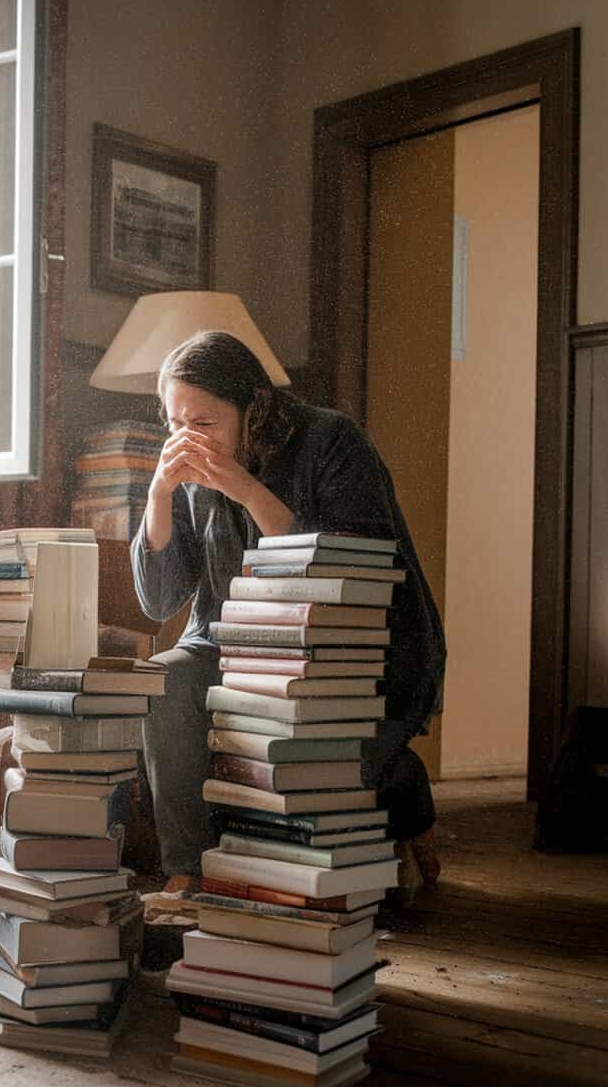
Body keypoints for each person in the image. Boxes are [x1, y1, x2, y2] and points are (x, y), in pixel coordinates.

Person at [130, 330, 445, 901]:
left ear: (254, 408)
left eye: (204, 423)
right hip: (234, 646)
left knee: (312, 787)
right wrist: (157, 494)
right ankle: (186, 874)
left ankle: (400, 781)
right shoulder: (187, 465)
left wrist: (246, 489)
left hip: (353, 652)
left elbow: (351, 577)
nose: (188, 438)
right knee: (166, 679)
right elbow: (159, 601)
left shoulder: (332, 441)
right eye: (176, 424)